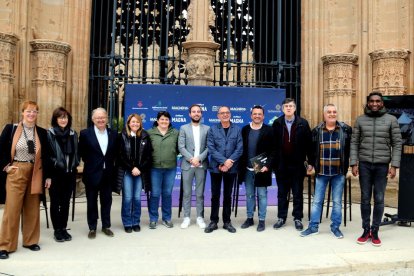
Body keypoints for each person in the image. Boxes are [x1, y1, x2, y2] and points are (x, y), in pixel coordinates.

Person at [350, 92, 402, 246]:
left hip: (382, 165)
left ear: (382, 103)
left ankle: (376, 231)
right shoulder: (360, 120)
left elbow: (397, 143)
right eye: (371, 101)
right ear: (368, 102)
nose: (374, 103)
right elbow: (354, 143)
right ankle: (366, 230)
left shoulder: (391, 120)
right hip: (365, 164)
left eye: (377, 101)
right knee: (365, 199)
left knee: (379, 199)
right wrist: (354, 163)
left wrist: (394, 165)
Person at [0, 100, 49, 259]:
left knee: (32, 208)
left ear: (37, 114)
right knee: (12, 209)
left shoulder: (42, 132)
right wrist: (6, 167)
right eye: (28, 111)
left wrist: (47, 176)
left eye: (34, 111)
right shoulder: (11, 129)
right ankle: (6, 245)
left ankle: (30, 241)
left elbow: (47, 156)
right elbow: (0, 150)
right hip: (17, 170)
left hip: (35, 171)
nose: (31, 114)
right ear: (22, 113)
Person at [300, 104, 351, 238]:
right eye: (329, 112)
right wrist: (311, 164)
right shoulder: (316, 131)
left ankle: (335, 228)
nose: (332, 114)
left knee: (337, 202)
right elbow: (311, 150)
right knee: (317, 201)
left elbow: (350, 150)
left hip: (338, 172)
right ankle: (313, 227)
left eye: (334, 112)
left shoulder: (345, 130)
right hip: (321, 172)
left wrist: (351, 166)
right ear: (324, 114)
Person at [272, 98, 313, 231]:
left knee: (297, 193)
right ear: (282, 109)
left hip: (297, 165)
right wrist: (274, 164)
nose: (288, 108)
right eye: (286, 106)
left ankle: (297, 218)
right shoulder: (277, 123)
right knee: (282, 193)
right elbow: (272, 147)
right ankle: (281, 217)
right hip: (281, 165)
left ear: (295, 108)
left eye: (291, 106)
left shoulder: (303, 123)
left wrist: (311, 163)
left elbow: (309, 145)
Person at [79, 107, 118, 239]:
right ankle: (92, 227)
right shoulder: (85, 134)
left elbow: (115, 153)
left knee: (107, 201)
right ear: (93, 119)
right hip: (92, 173)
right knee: (91, 202)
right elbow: (82, 153)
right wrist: (93, 164)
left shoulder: (113, 133)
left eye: (103, 117)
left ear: (107, 118)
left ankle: (106, 226)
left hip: (108, 174)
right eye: (98, 118)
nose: (100, 120)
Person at [205, 106, 243, 233]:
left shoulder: (237, 130)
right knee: (215, 195)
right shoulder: (213, 129)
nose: (225, 115)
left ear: (230, 114)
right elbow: (211, 148)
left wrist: (229, 162)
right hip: (216, 167)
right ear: (218, 116)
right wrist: (223, 161)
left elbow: (239, 148)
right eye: (222, 113)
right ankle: (213, 221)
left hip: (231, 168)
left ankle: (227, 222)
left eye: (227, 113)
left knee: (228, 195)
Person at [239, 105, 274, 232]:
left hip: (262, 169)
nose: (257, 116)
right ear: (251, 115)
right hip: (247, 169)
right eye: (255, 114)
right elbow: (241, 149)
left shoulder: (269, 130)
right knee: (249, 195)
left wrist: (267, 165)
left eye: (259, 114)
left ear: (263, 116)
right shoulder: (245, 130)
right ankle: (249, 218)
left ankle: (262, 220)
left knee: (262, 195)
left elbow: (273, 151)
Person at [46, 107, 80, 242]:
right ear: (55, 119)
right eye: (60, 117)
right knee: (55, 202)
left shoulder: (73, 133)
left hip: (69, 173)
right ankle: (57, 230)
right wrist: (56, 164)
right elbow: (47, 155)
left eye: (65, 117)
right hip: (55, 173)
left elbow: (77, 152)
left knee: (66, 202)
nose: (63, 120)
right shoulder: (49, 134)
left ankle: (64, 228)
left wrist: (75, 164)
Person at [118, 114, 152, 233]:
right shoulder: (122, 136)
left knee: (137, 198)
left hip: (140, 172)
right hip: (127, 171)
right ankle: (127, 222)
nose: (135, 124)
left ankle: (135, 221)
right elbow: (120, 156)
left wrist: (139, 168)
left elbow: (148, 156)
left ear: (140, 123)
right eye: (133, 122)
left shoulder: (145, 136)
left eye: (137, 122)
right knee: (127, 198)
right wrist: (132, 168)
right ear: (128, 123)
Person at [178, 104, 210, 229]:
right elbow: (181, 146)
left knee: (200, 193)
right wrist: (191, 159)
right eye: (194, 111)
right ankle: (186, 217)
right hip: (188, 164)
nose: (196, 113)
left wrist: (199, 159)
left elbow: (209, 147)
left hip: (201, 165)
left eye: (198, 111)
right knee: (186, 193)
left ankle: (199, 217)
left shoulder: (207, 129)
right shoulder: (183, 128)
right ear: (189, 114)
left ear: (201, 114)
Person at [147, 111, 179, 229]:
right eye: (162, 119)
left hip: (170, 168)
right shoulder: (150, 133)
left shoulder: (175, 133)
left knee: (167, 194)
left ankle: (166, 218)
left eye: (166, 119)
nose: (164, 121)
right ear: (157, 120)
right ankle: (153, 219)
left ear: (169, 121)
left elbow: (179, 148)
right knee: (155, 194)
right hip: (155, 168)